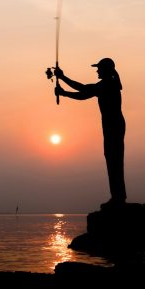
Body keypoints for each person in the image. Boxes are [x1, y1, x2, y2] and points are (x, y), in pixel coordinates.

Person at [55, 58, 126, 208]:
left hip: (113, 126)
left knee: (114, 159)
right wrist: (64, 89)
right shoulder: (110, 84)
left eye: (99, 68)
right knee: (113, 159)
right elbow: (84, 92)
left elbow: (83, 91)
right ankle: (118, 196)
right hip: (112, 126)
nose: (97, 71)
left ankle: (118, 197)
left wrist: (63, 85)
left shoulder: (107, 85)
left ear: (106, 70)